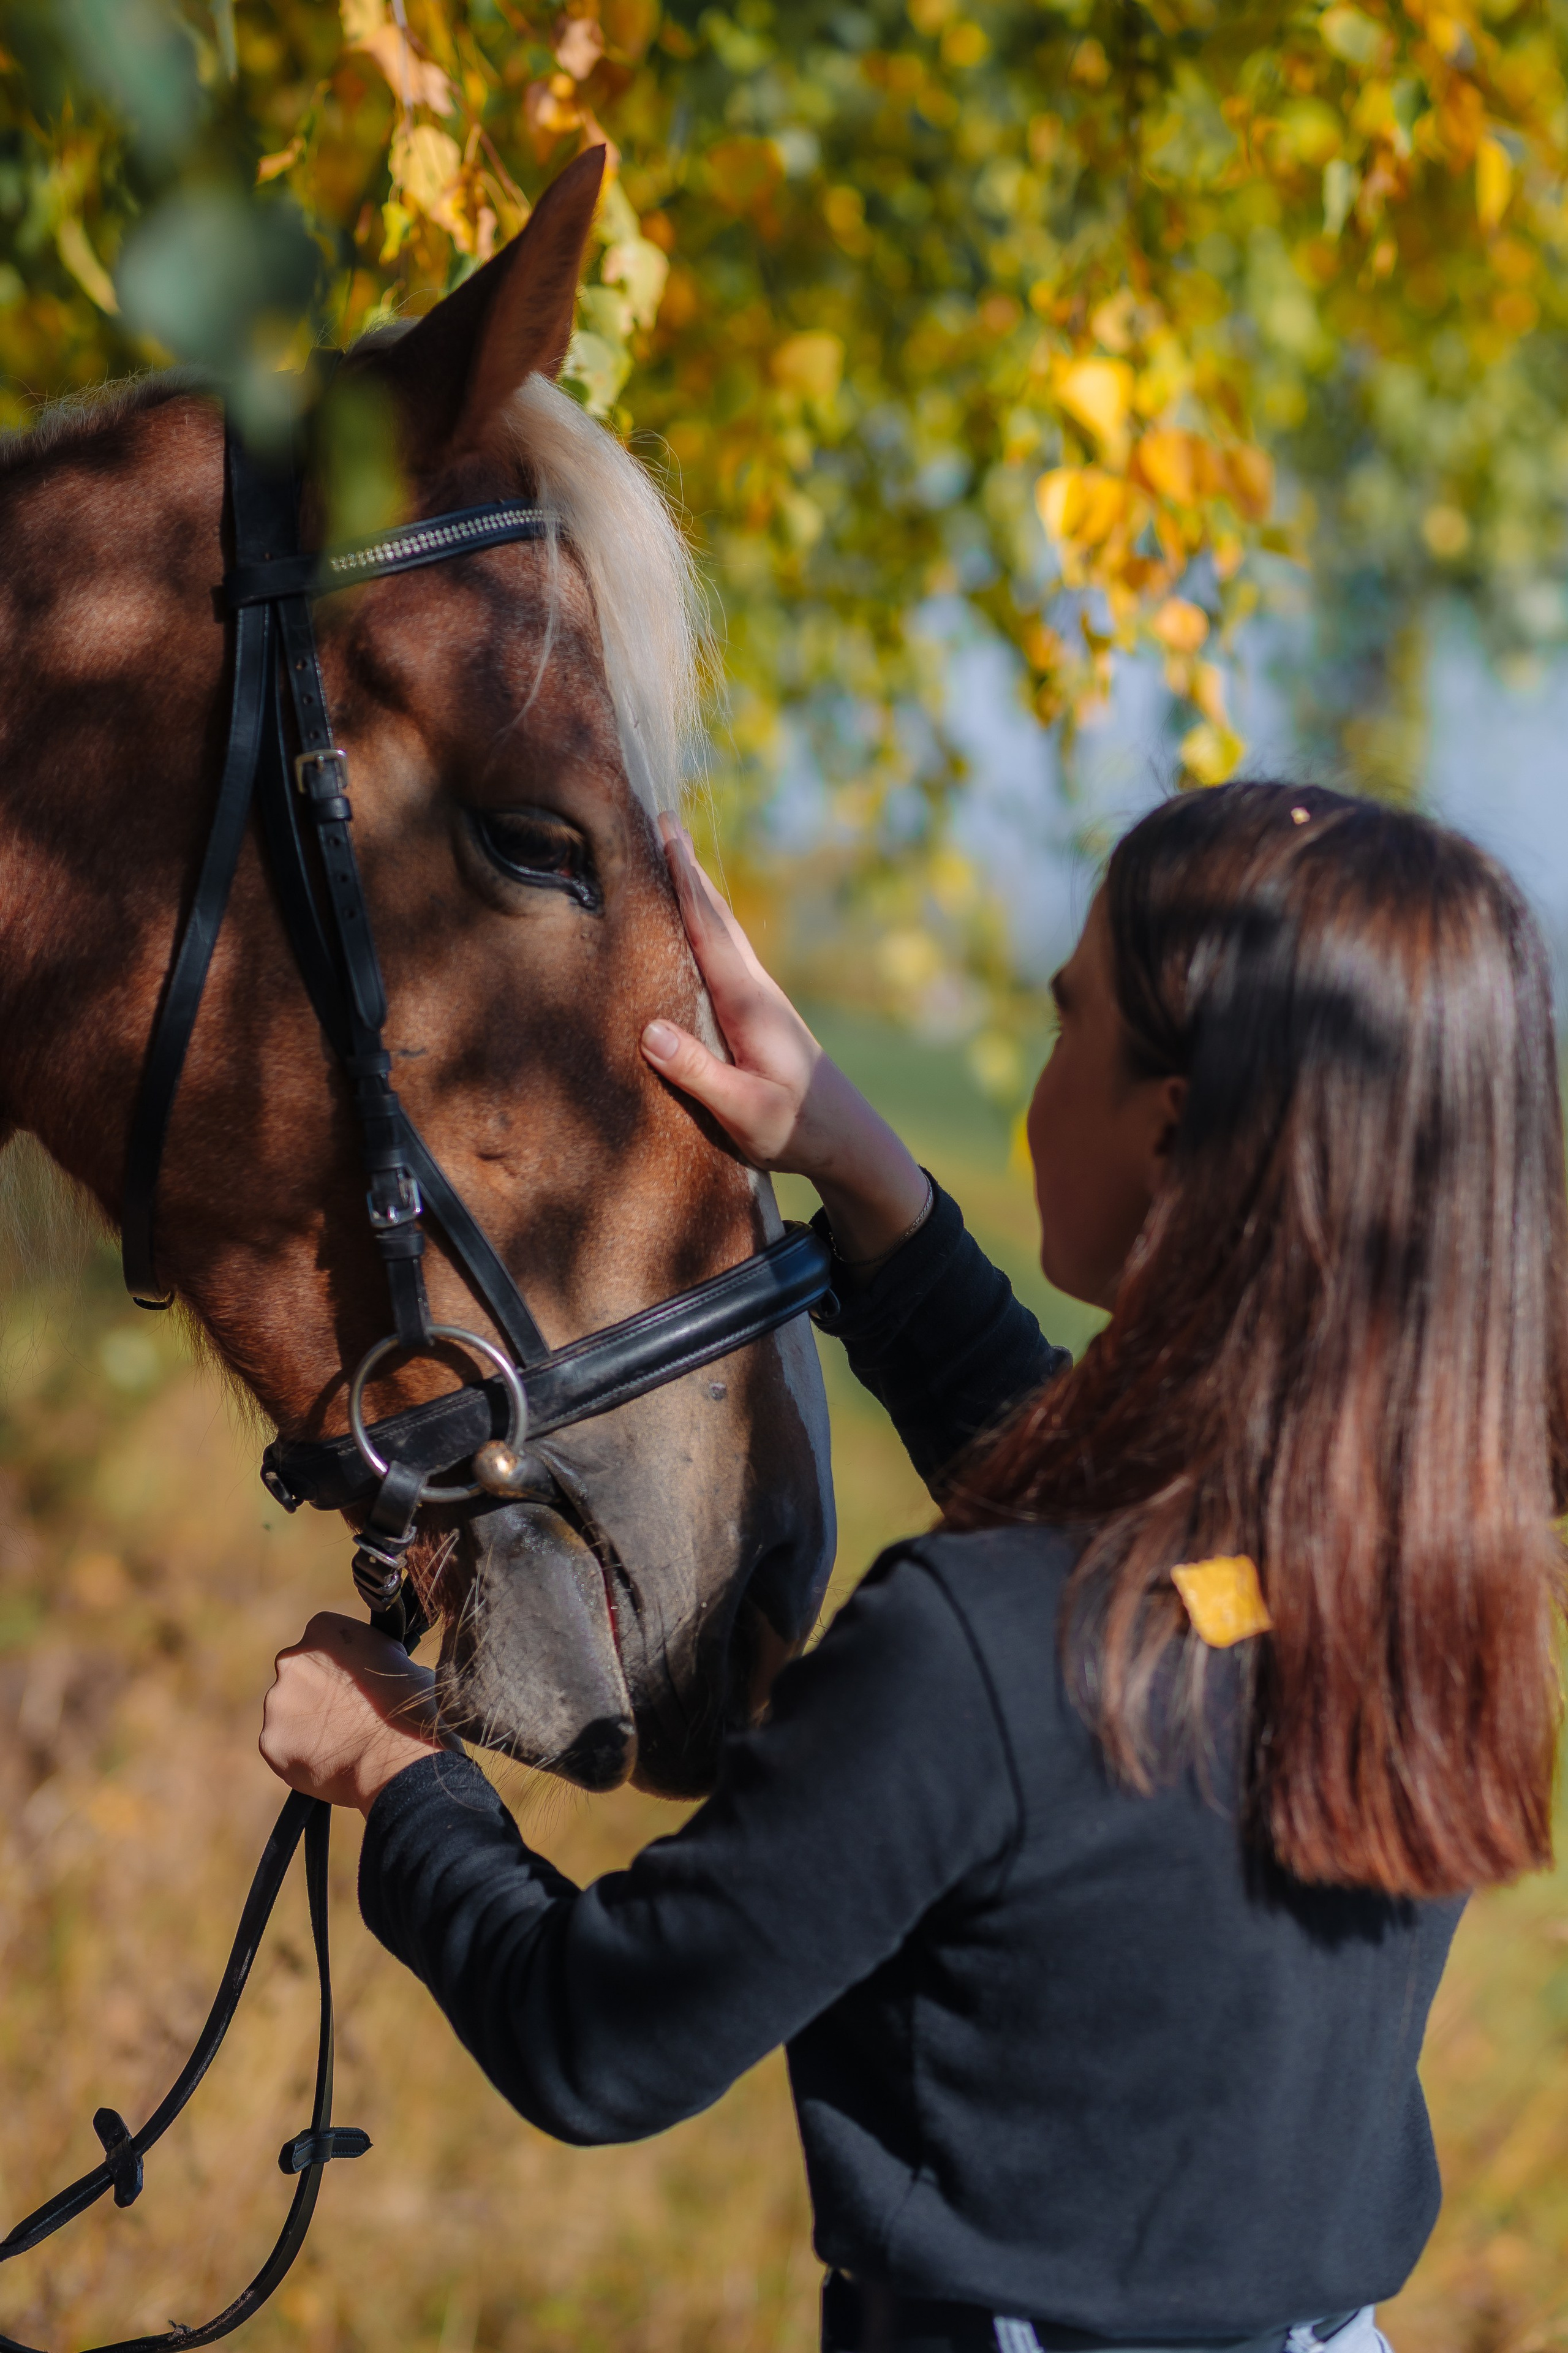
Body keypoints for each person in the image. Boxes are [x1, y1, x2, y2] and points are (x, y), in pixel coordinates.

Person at [260, 781, 1568, 2353]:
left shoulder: (979, 1657)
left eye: (1069, 1018)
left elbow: (596, 2034)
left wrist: (394, 1769)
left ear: (1165, 1126)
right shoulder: (1410, 1577)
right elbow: (1108, 1582)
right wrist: (864, 1173)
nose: (1037, 1071)